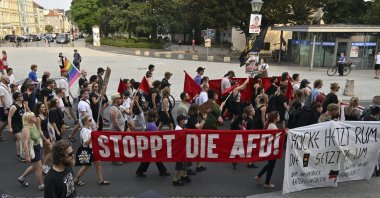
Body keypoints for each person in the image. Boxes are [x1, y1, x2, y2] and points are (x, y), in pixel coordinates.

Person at [74, 115, 110, 186]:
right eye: (90, 120)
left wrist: (94, 131)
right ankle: (76, 179)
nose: (91, 122)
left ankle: (101, 180)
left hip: (92, 149)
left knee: (98, 164)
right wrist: (93, 135)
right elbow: (86, 142)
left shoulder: (89, 128)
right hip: (87, 150)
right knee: (86, 166)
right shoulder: (84, 131)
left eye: (91, 120)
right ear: (85, 122)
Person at [136, 110, 170, 177]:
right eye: (156, 116)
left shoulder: (149, 123)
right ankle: (162, 171)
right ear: (153, 117)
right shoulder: (152, 125)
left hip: (150, 143)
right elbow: (155, 135)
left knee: (150, 158)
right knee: (153, 158)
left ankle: (141, 171)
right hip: (152, 143)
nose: (157, 118)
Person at [17, 112, 45, 191]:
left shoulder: (33, 125)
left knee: (34, 166)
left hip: (37, 147)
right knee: (39, 168)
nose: (35, 117)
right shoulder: (26, 129)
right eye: (33, 117)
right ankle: (40, 185)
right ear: (29, 119)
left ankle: (21, 178)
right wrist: (27, 156)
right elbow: (25, 143)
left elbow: (39, 133)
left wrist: (45, 140)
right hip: (32, 150)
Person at [254, 111, 281, 188]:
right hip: (272, 148)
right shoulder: (272, 126)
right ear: (275, 118)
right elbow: (277, 136)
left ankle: (258, 176)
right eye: (278, 116)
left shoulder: (267, 123)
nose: (279, 117)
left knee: (270, 164)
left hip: (269, 147)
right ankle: (267, 183)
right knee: (271, 166)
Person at [172, 114, 190, 186]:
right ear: (180, 121)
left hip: (183, 149)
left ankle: (184, 176)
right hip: (179, 151)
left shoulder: (181, 127)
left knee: (185, 163)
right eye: (184, 119)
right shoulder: (178, 129)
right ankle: (175, 180)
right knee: (179, 165)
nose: (185, 120)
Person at [8, 92, 26, 161]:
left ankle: (20, 153)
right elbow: (9, 117)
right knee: (19, 139)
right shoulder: (14, 107)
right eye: (20, 96)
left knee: (21, 139)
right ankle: (20, 155)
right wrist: (10, 127)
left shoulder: (23, 104)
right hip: (15, 125)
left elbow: (24, 115)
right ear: (16, 98)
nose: (22, 96)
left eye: (21, 95)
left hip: (21, 124)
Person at [35, 102, 52, 175]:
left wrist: (50, 136)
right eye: (42, 107)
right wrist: (45, 139)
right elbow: (39, 130)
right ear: (38, 109)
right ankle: (44, 166)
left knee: (46, 152)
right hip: (43, 136)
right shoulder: (38, 117)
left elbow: (47, 127)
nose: (44, 108)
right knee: (51, 151)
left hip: (47, 134)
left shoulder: (44, 115)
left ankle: (44, 166)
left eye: (44, 107)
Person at [0, 74, 12, 141]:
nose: (9, 79)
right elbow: (2, 99)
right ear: (3, 80)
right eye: (7, 78)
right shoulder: (1, 87)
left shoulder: (7, 86)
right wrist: (5, 109)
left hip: (9, 106)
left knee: (7, 121)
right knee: (4, 122)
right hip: (4, 107)